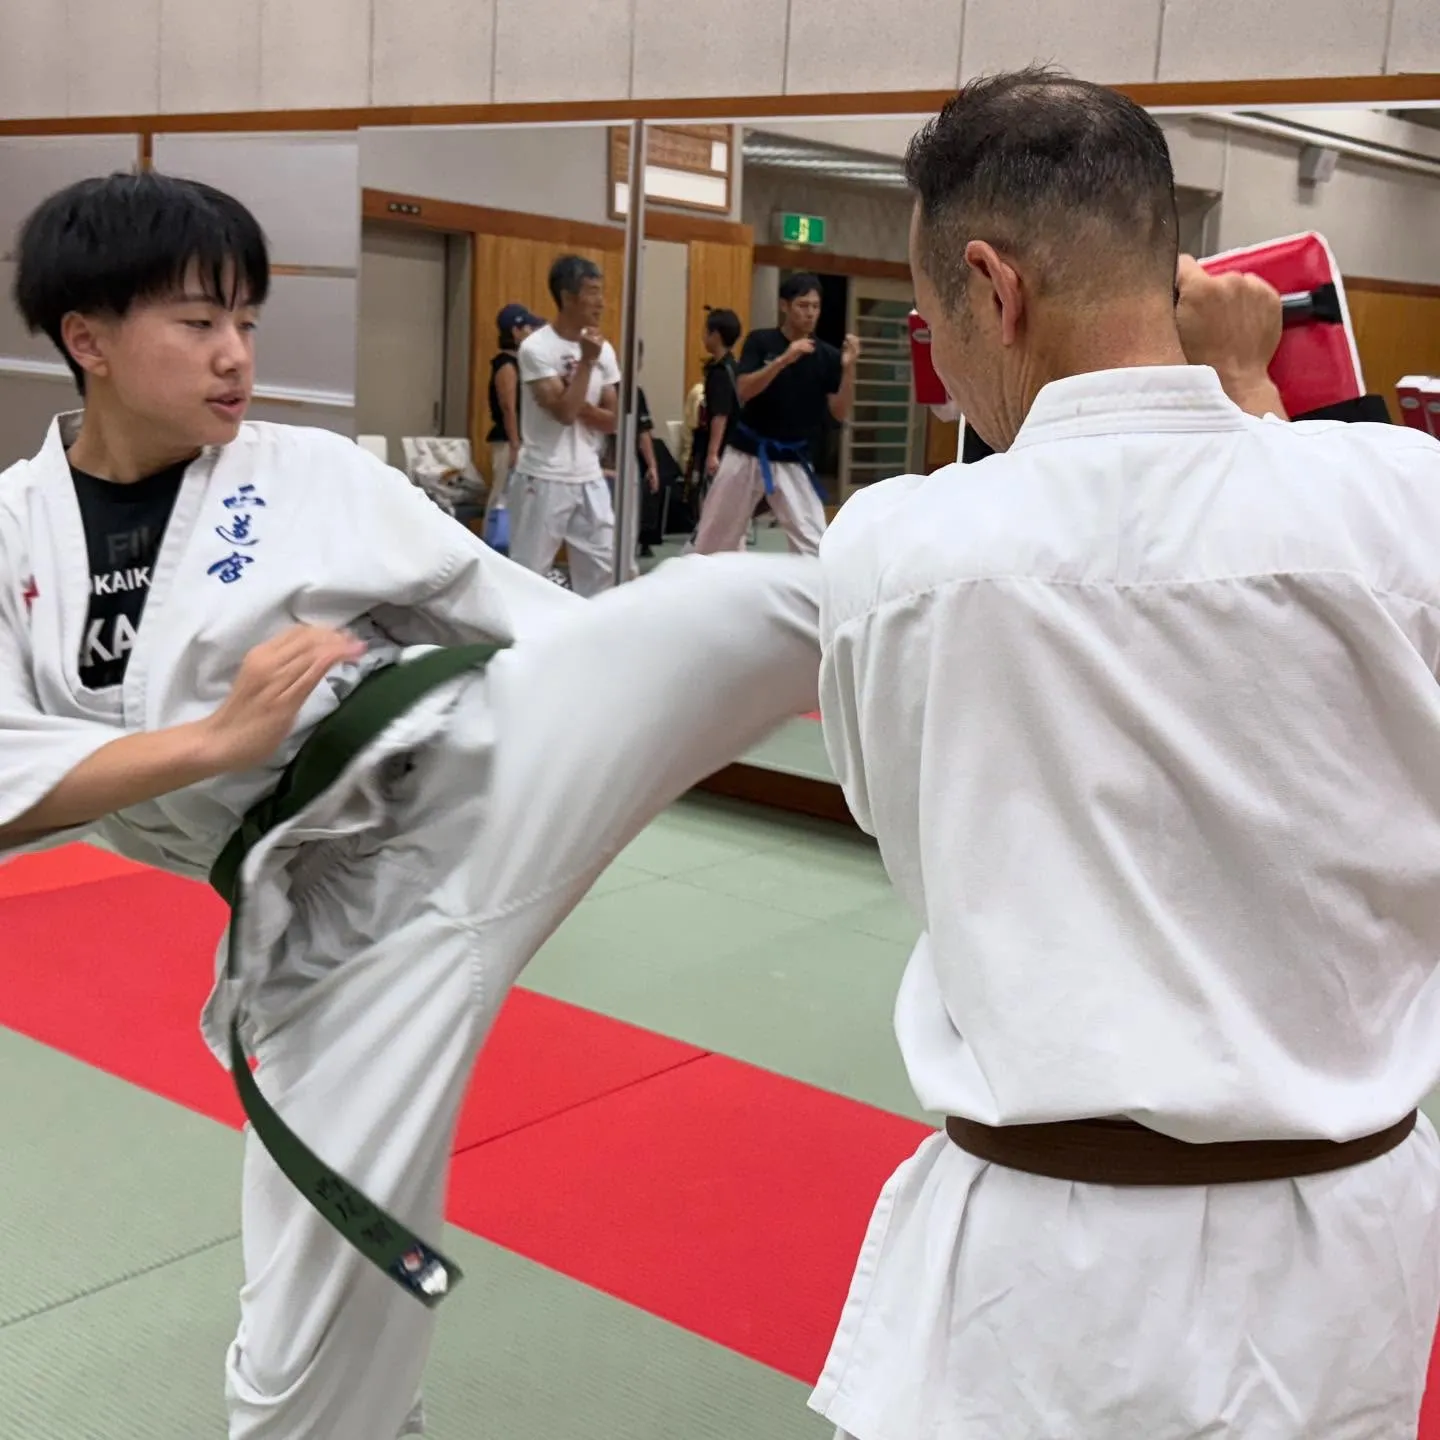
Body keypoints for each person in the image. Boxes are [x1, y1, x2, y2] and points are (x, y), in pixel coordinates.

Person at [0, 171, 821, 1440]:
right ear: (87, 339)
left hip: (467, 770)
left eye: (249, 323)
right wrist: (211, 742)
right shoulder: (13, 534)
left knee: (743, 608)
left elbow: (516, 612)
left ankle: (1011, 590)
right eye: (198, 323)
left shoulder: (309, 472)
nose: (236, 357)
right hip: (320, 926)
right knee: (302, 1356)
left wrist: (630, 679)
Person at [811, 68, 1440, 1440]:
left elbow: (878, 793)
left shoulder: (895, 551)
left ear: (993, 286)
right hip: (1349, 1257)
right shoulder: (1403, 502)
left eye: (934, 327)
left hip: (1040, 1280)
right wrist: (1256, 382)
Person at [693, 275, 858, 557]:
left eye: (815, 306)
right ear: (784, 305)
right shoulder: (761, 340)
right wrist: (783, 359)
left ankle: (814, 599)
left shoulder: (827, 356)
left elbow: (839, 412)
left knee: (815, 547)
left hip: (793, 458)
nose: (810, 313)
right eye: (803, 305)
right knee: (713, 539)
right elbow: (744, 390)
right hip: (746, 452)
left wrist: (849, 368)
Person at [510, 255, 621, 596]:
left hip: (589, 473)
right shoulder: (536, 348)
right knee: (529, 574)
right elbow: (563, 414)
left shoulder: (604, 349)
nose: (601, 302)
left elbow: (614, 419)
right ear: (568, 297)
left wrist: (576, 400)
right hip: (543, 475)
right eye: (592, 292)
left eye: (602, 292)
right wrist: (586, 363)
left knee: (605, 571)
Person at [484, 300, 541, 504]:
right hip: (509, 440)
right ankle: (492, 536)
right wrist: (515, 445)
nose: (533, 332)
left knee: (520, 498)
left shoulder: (521, 363)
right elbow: (509, 408)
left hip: (521, 439)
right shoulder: (506, 366)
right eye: (528, 328)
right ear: (515, 331)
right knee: (502, 496)